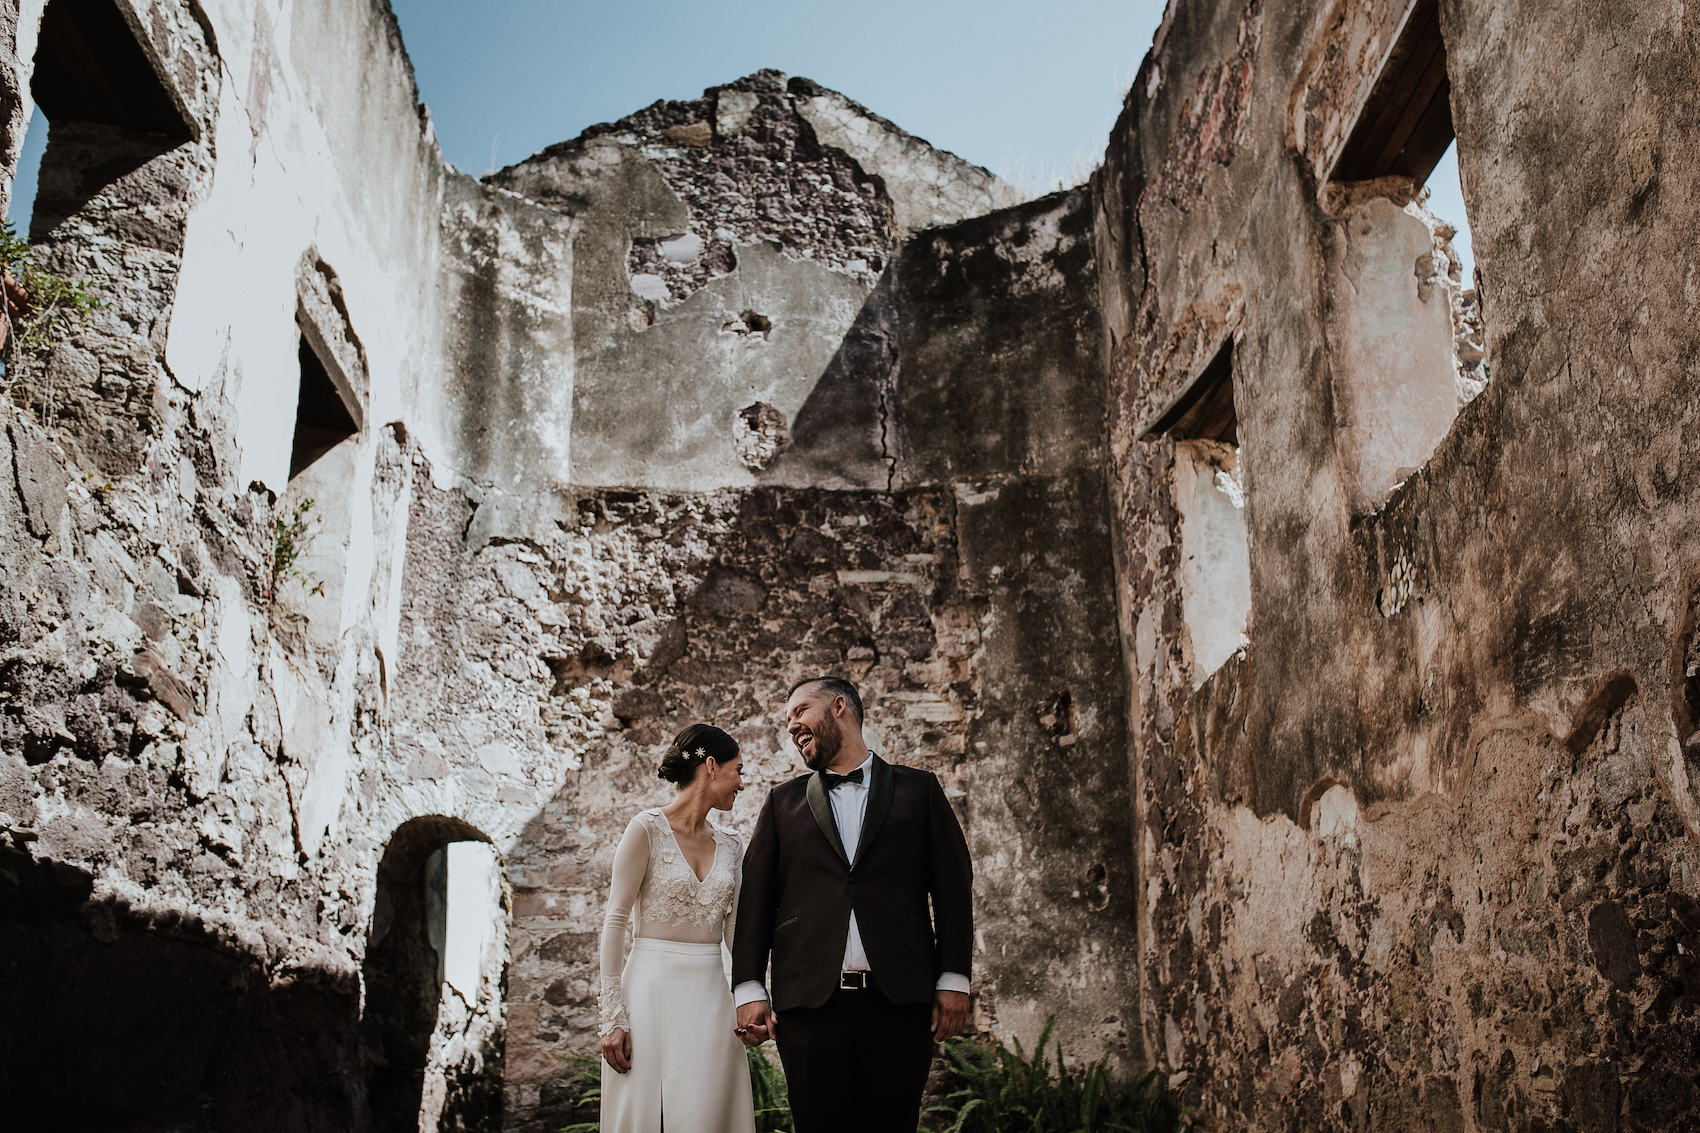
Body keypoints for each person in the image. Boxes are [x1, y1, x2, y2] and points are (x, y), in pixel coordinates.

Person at [731, 676, 974, 1133]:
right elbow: (756, 901)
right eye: (788, 719)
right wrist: (748, 988)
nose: (792, 725)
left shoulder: (919, 790)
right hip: (808, 1008)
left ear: (839, 706)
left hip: (900, 1004)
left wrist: (955, 977)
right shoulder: (782, 803)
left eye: (800, 711)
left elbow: (954, 889)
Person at [597, 723, 757, 1133]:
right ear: (710, 766)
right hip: (647, 994)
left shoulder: (733, 845)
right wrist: (613, 1016)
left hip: (710, 999)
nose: (742, 782)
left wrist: (752, 996)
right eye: (737, 770)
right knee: (645, 1115)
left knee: (708, 1113)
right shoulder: (645, 829)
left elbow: (736, 930)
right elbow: (615, 920)